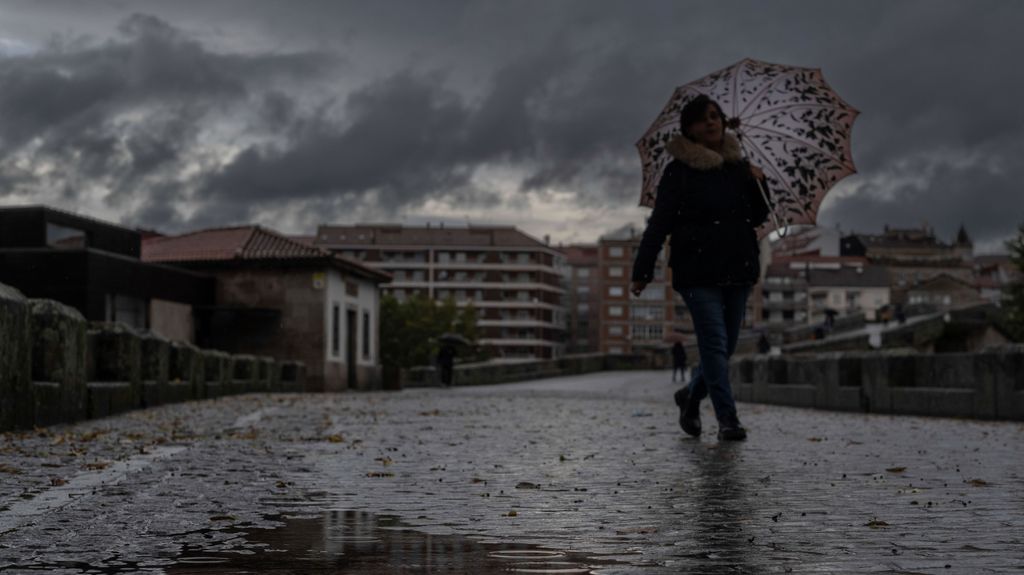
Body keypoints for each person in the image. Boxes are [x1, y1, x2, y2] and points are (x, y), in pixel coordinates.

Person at [631, 94, 771, 441]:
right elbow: (659, 223)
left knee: (726, 346)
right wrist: (642, 269)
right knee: (713, 343)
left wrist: (759, 182)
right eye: (702, 118)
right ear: (689, 129)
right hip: (697, 270)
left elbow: (758, 216)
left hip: (738, 266)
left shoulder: (740, 168)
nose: (711, 122)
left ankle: (689, 397)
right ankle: (728, 418)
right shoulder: (678, 172)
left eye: (715, 116)